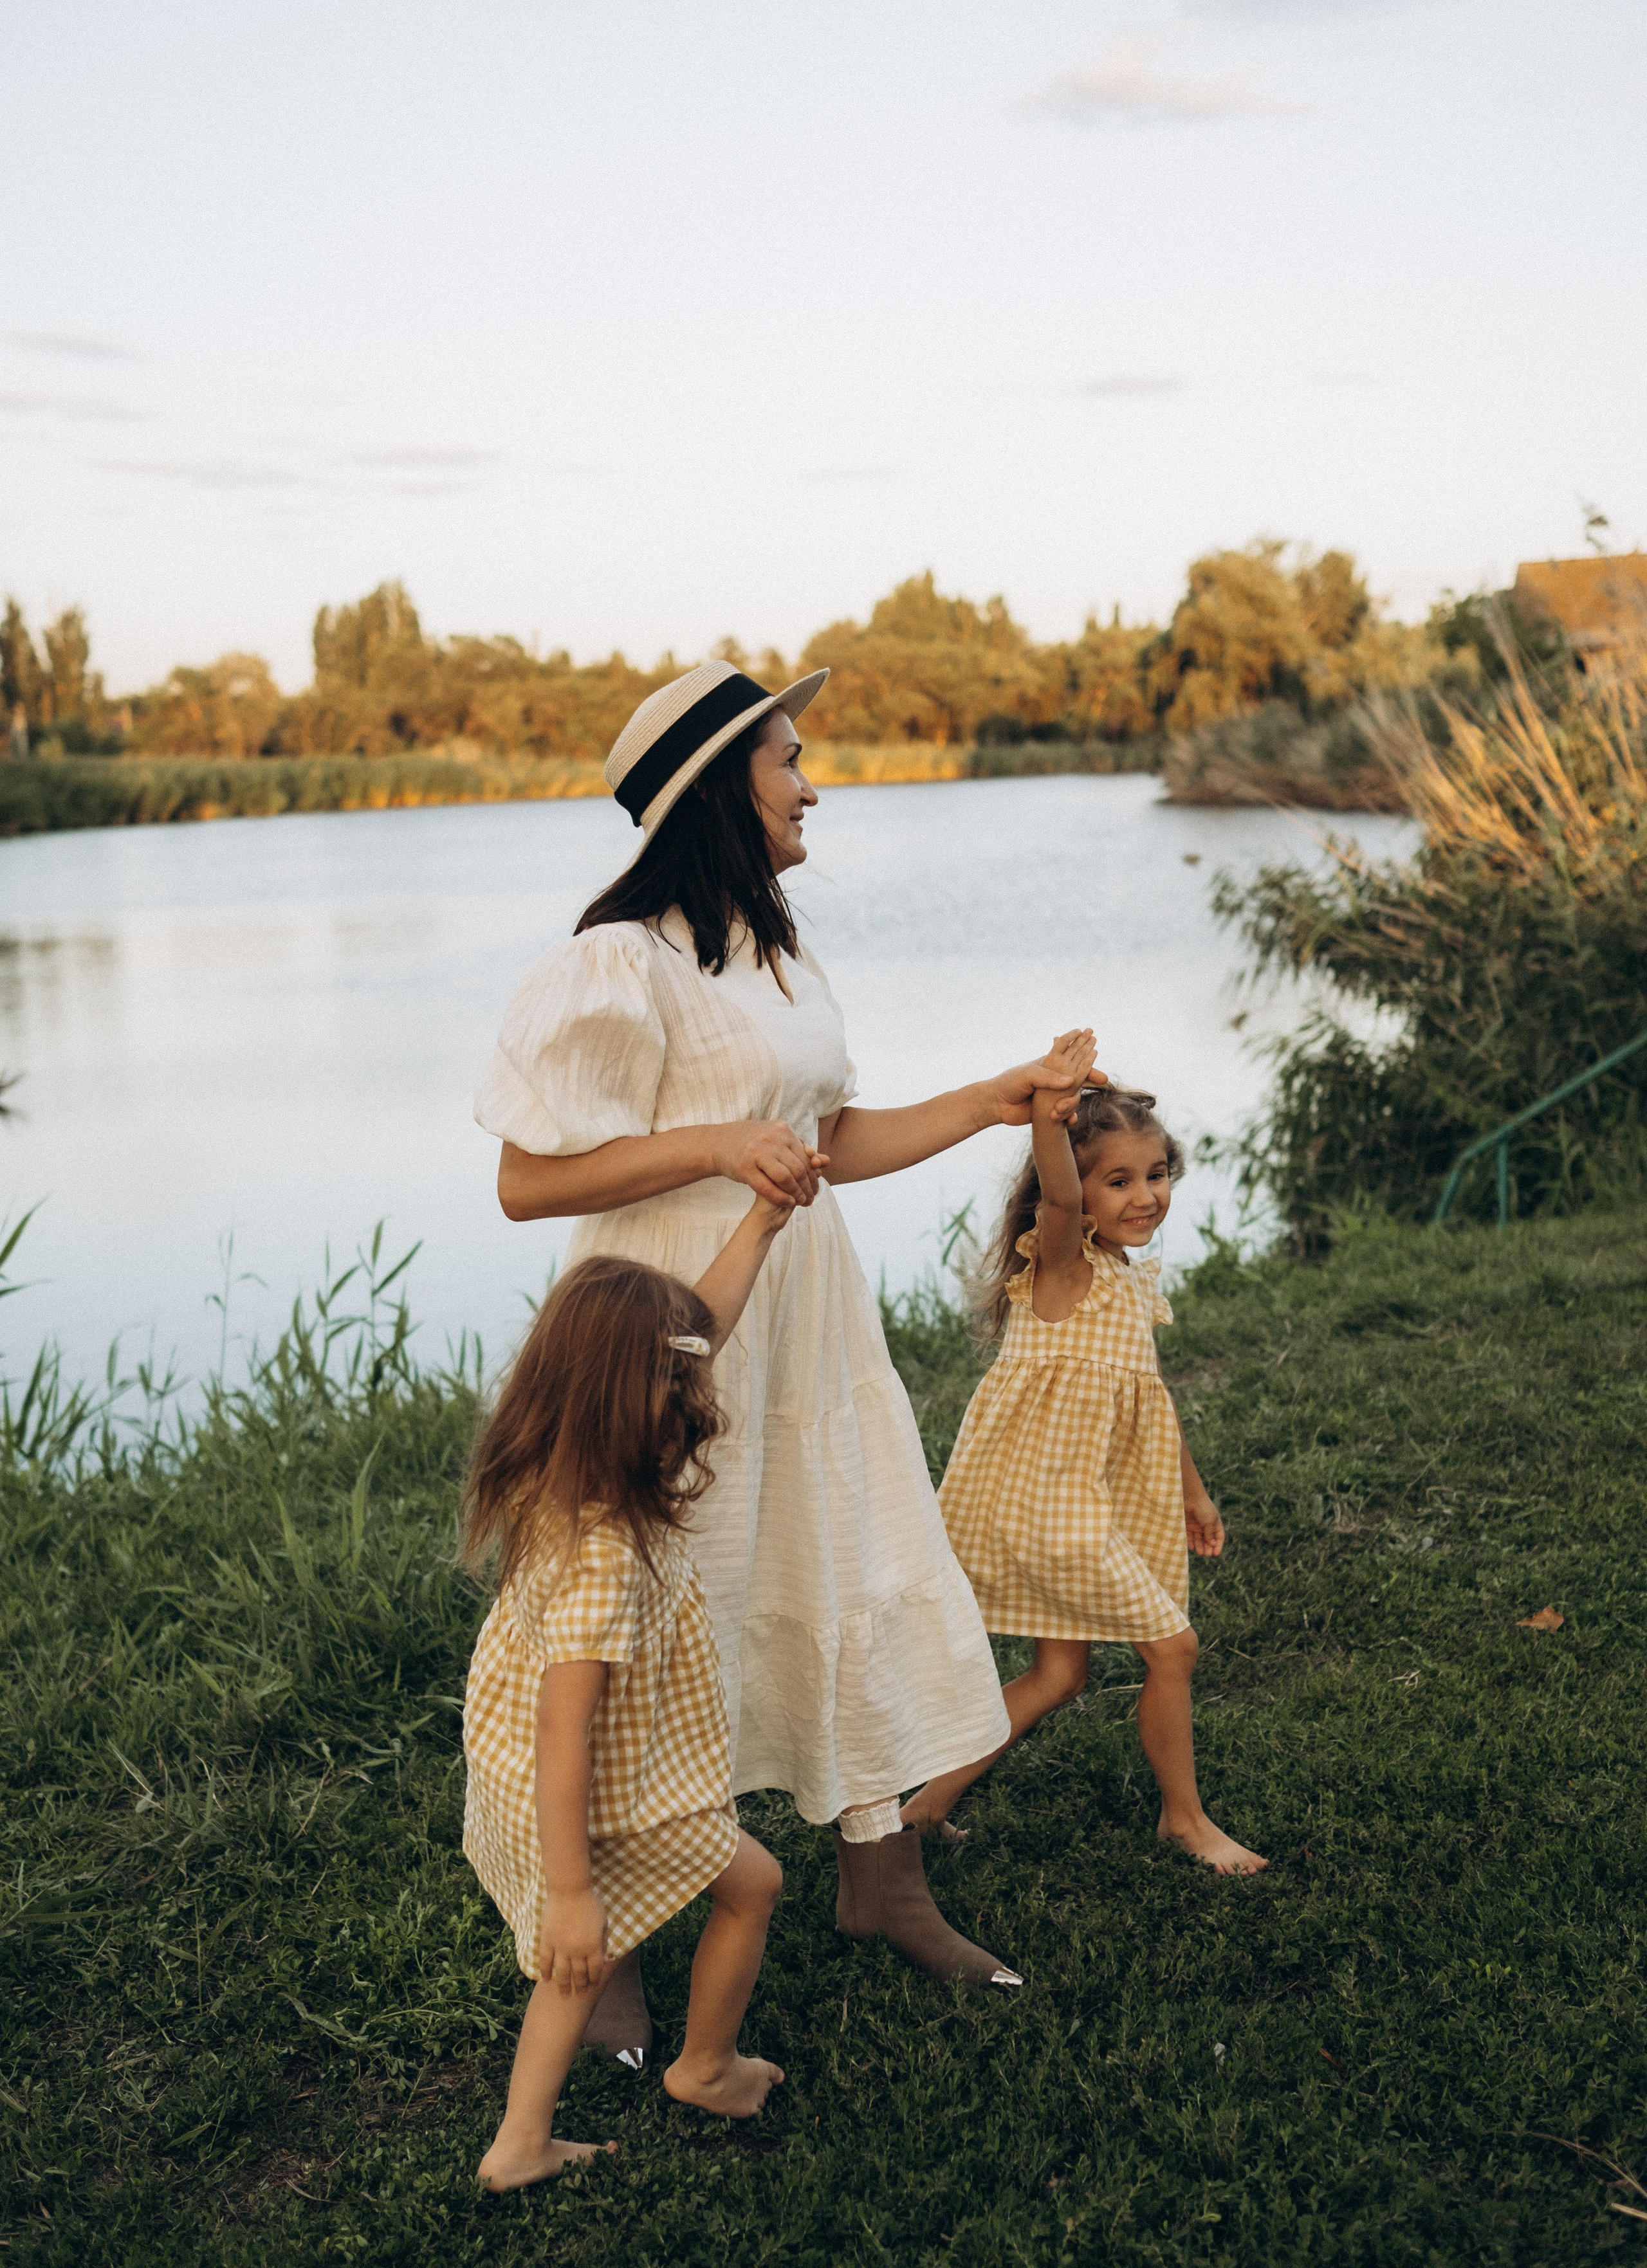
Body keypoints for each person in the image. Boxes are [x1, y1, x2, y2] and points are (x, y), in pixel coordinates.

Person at [475, 657, 1096, 2053]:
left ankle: (883, 1878)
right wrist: (713, 1145)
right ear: (718, 788)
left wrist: (993, 1099)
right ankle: (608, 1932)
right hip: (665, 1318)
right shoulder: (617, 961)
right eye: (789, 760)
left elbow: (828, 1141)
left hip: (808, 1305)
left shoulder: (777, 950)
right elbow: (525, 1179)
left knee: (848, 1554)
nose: (813, 785)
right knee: (652, 1600)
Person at [459, 1203, 794, 2191]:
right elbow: (567, 1727)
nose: (697, 1397)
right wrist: (570, 1892)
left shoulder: (555, 1477)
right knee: (743, 1888)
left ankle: (522, 2141)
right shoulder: (606, 1551)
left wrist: (764, 1221)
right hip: (608, 1786)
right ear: (620, 1396)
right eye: (678, 1382)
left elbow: (701, 1327)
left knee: (580, 1961)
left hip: (563, 1769)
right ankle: (705, 2067)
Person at [902, 1043, 1266, 1875]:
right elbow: (1061, 1192)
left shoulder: (1129, 1279)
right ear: (1073, 1188)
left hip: (1075, 1502)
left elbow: (1150, 1396)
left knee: (1059, 1675)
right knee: (1173, 1648)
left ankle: (921, 1810)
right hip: (1047, 1507)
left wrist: (1194, 1494)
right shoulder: (1062, 1263)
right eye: (1119, 1180)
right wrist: (1047, 1114)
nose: (1146, 1196)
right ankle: (1184, 1820)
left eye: (1157, 1174)